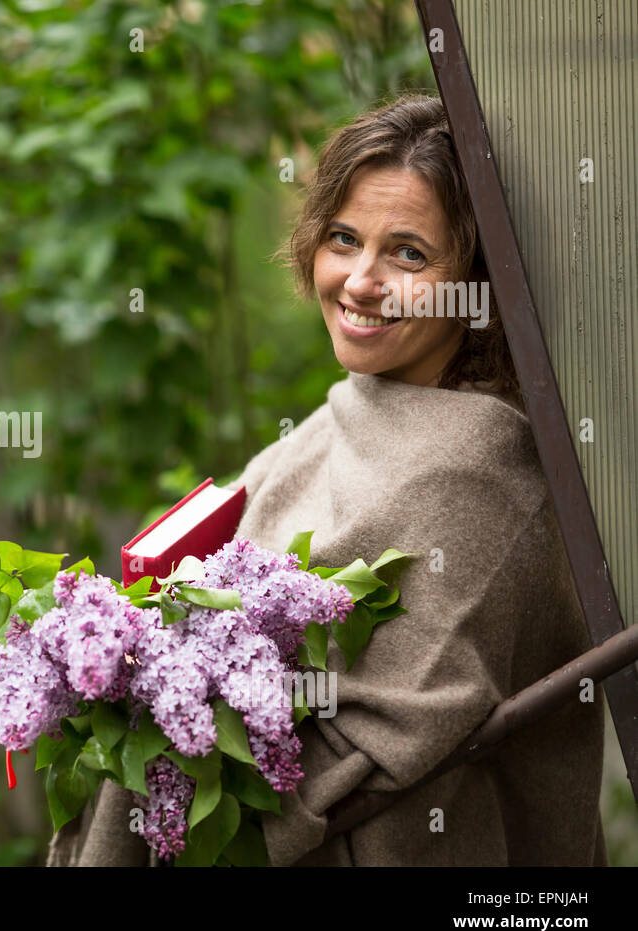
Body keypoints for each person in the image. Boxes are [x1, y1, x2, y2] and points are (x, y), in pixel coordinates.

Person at [46, 93, 607, 867]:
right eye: (344, 239)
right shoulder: (343, 420)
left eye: (409, 254)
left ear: (480, 284)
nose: (360, 281)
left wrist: (170, 755)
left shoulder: (478, 471)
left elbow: (388, 743)